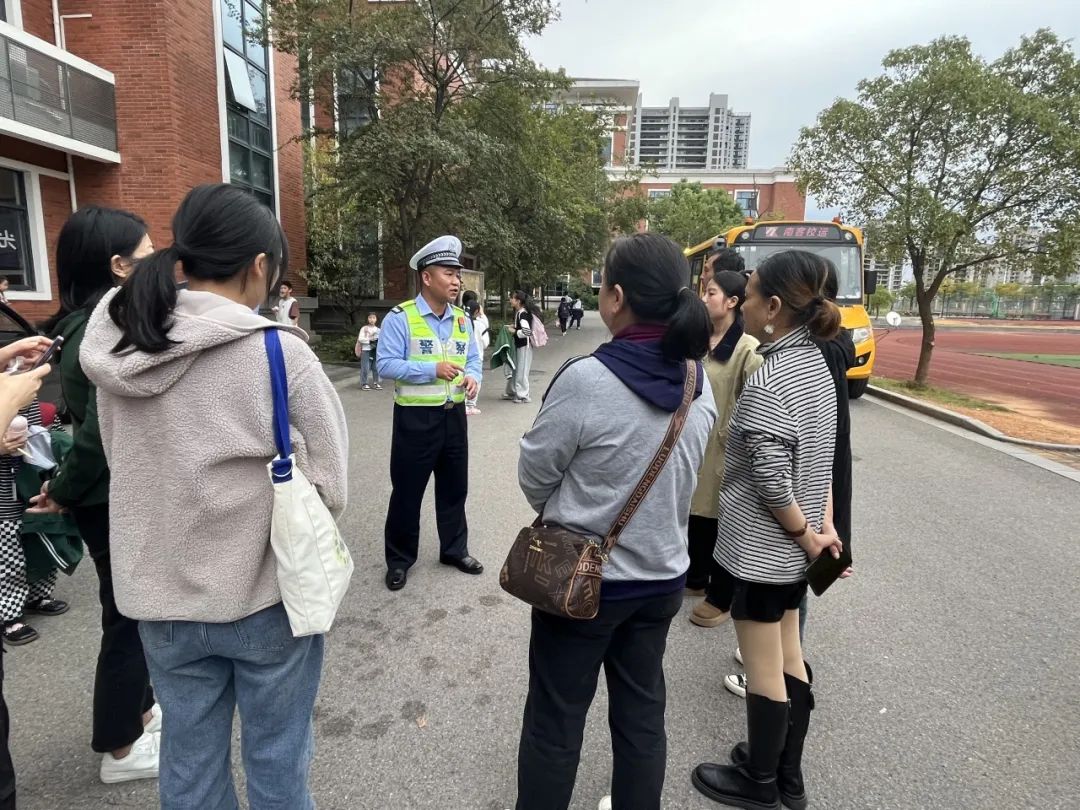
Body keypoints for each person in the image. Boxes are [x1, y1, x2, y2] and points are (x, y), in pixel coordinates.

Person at [74, 184, 348, 809]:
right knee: (278, 761)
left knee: (189, 765)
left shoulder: (122, 345)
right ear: (259, 266)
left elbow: (125, 461)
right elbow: (332, 487)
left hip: (161, 601)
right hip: (266, 599)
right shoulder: (278, 354)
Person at [515, 233, 717, 810]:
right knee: (642, 715)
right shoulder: (695, 385)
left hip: (582, 583)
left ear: (616, 297)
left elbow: (536, 476)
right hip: (661, 582)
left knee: (555, 719)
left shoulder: (587, 380)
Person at [692, 250, 842, 810]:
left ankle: (759, 781)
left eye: (750, 292)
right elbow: (821, 460)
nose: (744, 300)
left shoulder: (772, 377)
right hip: (796, 552)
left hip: (763, 549)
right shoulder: (818, 367)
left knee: (764, 669)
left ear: (774, 307)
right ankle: (788, 774)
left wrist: (807, 535)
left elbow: (773, 480)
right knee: (789, 655)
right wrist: (822, 533)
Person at [30, 206, 161, 784]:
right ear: (118, 265)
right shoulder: (97, 327)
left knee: (138, 608)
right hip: (110, 496)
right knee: (129, 615)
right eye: (149, 255)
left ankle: (142, 709)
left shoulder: (89, 321)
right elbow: (100, 431)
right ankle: (119, 747)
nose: (160, 266)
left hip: (109, 492)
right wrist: (63, 489)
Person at [377, 235, 483, 591]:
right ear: (426, 277)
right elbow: (385, 364)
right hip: (414, 420)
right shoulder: (400, 318)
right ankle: (399, 559)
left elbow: (473, 360)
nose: (456, 281)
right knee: (407, 492)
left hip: (454, 417)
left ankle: (454, 550)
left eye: (458, 275)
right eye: (448, 273)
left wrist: (473, 378)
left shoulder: (462, 320)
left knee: (455, 489)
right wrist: (430, 370)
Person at [686, 271, 762, 629]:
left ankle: (722, 596)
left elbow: (755, 406)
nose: (705, 299)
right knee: (697, 513)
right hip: (695, 444)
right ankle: (696, 577)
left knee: (722, 519)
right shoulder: (699, 341)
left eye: (711, 293)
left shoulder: (747, 350)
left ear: (733, 302)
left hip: (725, 448)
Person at [0, 339, 54, 810]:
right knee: (10, 560)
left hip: (19, 478)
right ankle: (11, 614)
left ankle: (29, 599)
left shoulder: (15, 373)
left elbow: (34, 427)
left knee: (29, 547)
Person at [0, 395, 68, 646]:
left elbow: (52, 431)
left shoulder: (28, 392)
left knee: (41, 544)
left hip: (32, 482)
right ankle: (9, 614)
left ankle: (39, 595)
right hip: (4, 498)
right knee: (9, 558)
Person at [503, 291, 538, 404]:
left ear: (518, 301)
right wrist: (515, 327)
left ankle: (522, 395)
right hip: (520, 345)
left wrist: (514, 331)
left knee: (521, 370)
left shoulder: (522, 314)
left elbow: (527, 332)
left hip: (524, 346)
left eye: (512, 298)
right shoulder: (521, 312)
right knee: (516, 368)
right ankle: (513, 391)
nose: (510, 300)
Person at [463, 295, 489, 416]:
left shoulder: (461, 321)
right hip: (477, 356)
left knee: (463, 378)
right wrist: (483, 315)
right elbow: (486, 343)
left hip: (463, 356)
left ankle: (462, 403)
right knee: (475, 380)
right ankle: (470, 405)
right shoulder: (479, 324)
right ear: (477, 311)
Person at [355, 313, 382, 391]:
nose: (372, 319)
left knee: (376, 367)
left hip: (375, 351)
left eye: (373, 318)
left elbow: (381, 341)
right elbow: (360, 339)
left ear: (376, 319)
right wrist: (370, 341)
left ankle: (376, 382)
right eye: (370, 317)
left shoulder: (378, 330)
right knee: (365, 367)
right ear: (367, 319)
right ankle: (364, 383)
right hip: (366, 350)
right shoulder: (364, 328)